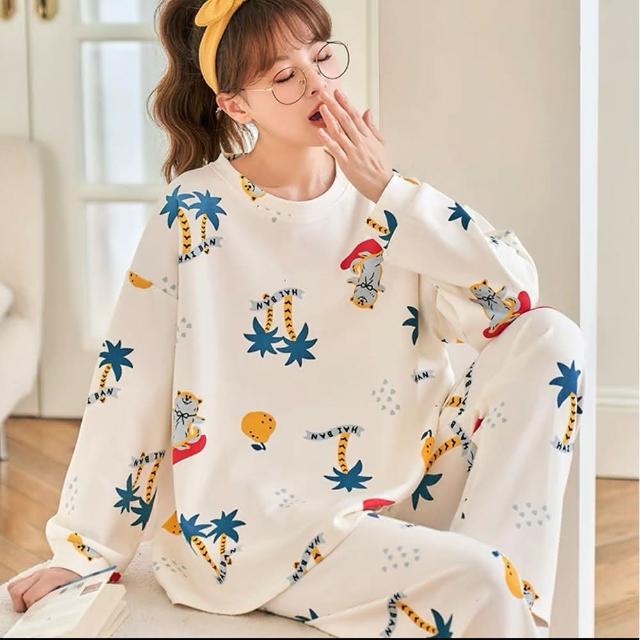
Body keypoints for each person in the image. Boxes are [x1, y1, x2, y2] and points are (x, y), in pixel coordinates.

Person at [7, 0, 586, 636]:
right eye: (284, 76)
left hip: (401, 494)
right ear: (236, 106)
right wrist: (83, 551)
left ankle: (497, 590)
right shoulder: (196, 210)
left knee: (552, 337)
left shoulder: (388, 203)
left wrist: (391, 191)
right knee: (481, 581)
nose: (316, 83)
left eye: (321, 57)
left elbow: (513, 302)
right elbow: (130, 382)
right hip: (264, 531)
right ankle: (490, 591)